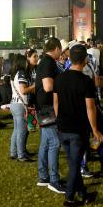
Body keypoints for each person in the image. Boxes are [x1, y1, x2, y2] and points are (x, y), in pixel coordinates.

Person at [53, 44, 102, 207]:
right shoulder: (85, 81)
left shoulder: (59, 78)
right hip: (77, 129)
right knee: (74, 165)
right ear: (85, 60)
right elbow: (90, 107)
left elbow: (56, 103)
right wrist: (95, 129)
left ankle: (83, 194)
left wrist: (59, 120)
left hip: (62, 127)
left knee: (73, 162)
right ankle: (69, 199)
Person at [35, 37, 65, 194]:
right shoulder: (48, 62)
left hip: (43, 107)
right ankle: (54, 180)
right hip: (48, 108)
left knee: (45, 143)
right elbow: (48, 86)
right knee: (54, 143)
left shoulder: (43, 61)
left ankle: (43, 176)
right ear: (57, 48)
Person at [9, 54, 35, 162]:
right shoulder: (21, 73)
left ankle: (14, 152)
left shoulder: (15, 73)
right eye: (25, 61)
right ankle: (21, 155)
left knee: (16, 130)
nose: (27, 63)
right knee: (22, 131)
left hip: (14, 104)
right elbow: (23, 90)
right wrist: (34, 86)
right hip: (20, 105)